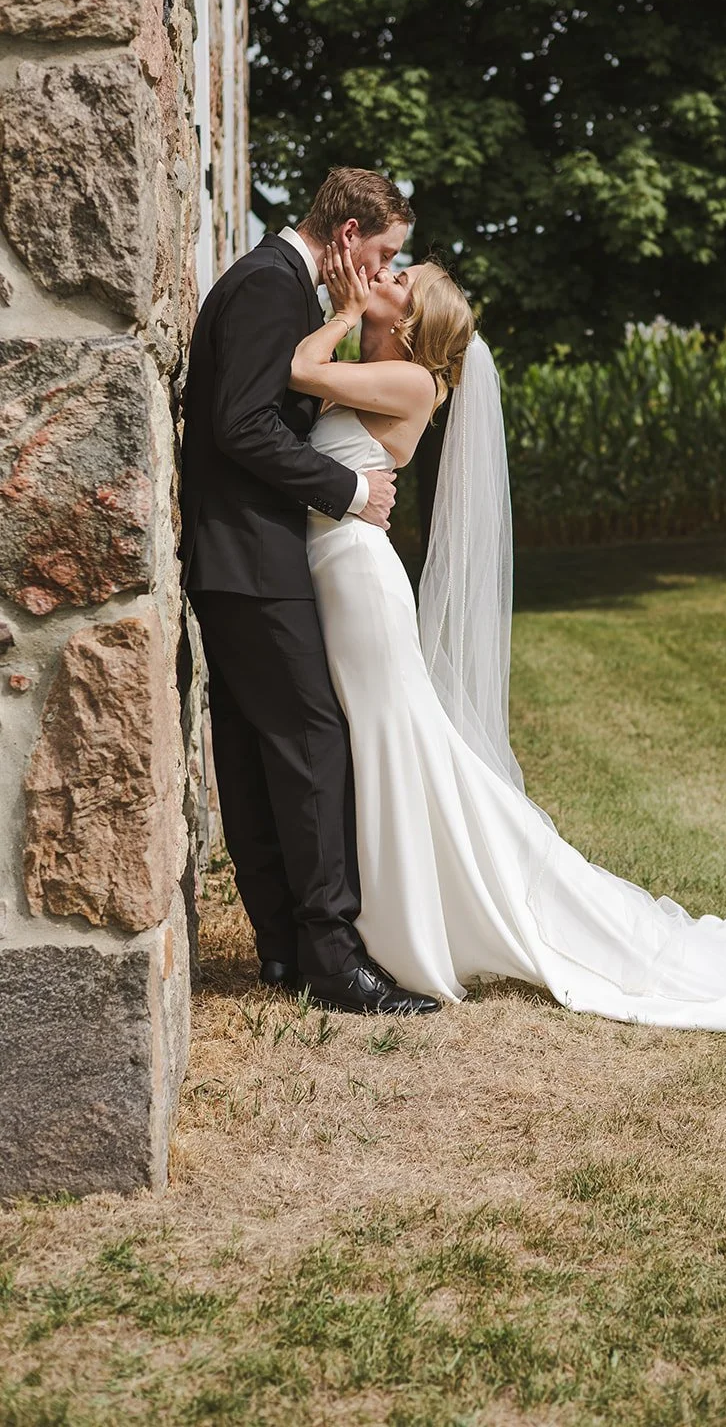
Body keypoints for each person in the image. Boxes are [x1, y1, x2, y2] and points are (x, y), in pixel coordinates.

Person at [284, 242, 726, 1037]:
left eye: (397, 278)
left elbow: (299, 371)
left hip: (356, 579)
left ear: (410, 320)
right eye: (389, 268)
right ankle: (390, 917)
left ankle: (400, 928)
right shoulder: (381, 366)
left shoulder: (411, 380)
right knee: (396, 746)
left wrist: (341, 311)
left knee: (395, 743)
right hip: (338, 571)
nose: (383, 273)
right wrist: (349, 318)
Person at [180, 168, 440, 1016]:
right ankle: (331, 957)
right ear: (348, 233)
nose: (383, 269)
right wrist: (349, 491)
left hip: (251, 557)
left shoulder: (284, 283)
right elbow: (243, 424)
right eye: (385, 252)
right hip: (250, 557)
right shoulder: (268, 284)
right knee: (310, 742)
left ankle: (287, 949)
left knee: (262, 751)